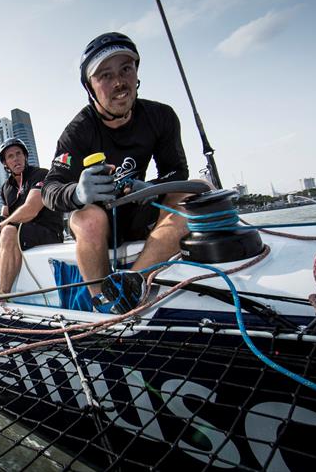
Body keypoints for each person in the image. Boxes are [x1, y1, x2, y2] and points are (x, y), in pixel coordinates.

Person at [42, 32, 204, 314]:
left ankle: (130, 286)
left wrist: (151, 187)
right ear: (90, 87)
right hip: (100, 223)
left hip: (141, 211)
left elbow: (177, 171)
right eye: (105, 75)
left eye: (125, 70)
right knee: (89, 218)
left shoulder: (161, 117)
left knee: (195, 187)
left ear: (136, 73)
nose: (119, 83)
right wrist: (78, 193)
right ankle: (101, 302)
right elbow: (50, 189)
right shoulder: (77, 131)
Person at [0, 138, 64, 294]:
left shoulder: (40, 174)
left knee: (8, 231)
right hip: (20, 233)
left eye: (18, 154)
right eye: (10, 156)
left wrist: (1, 226)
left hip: (47, 232)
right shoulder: (7, 187)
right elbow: (5, 215)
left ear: (25, 156)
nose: (15, 158)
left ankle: (2, 293)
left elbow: (31, 210)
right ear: (5, 163)